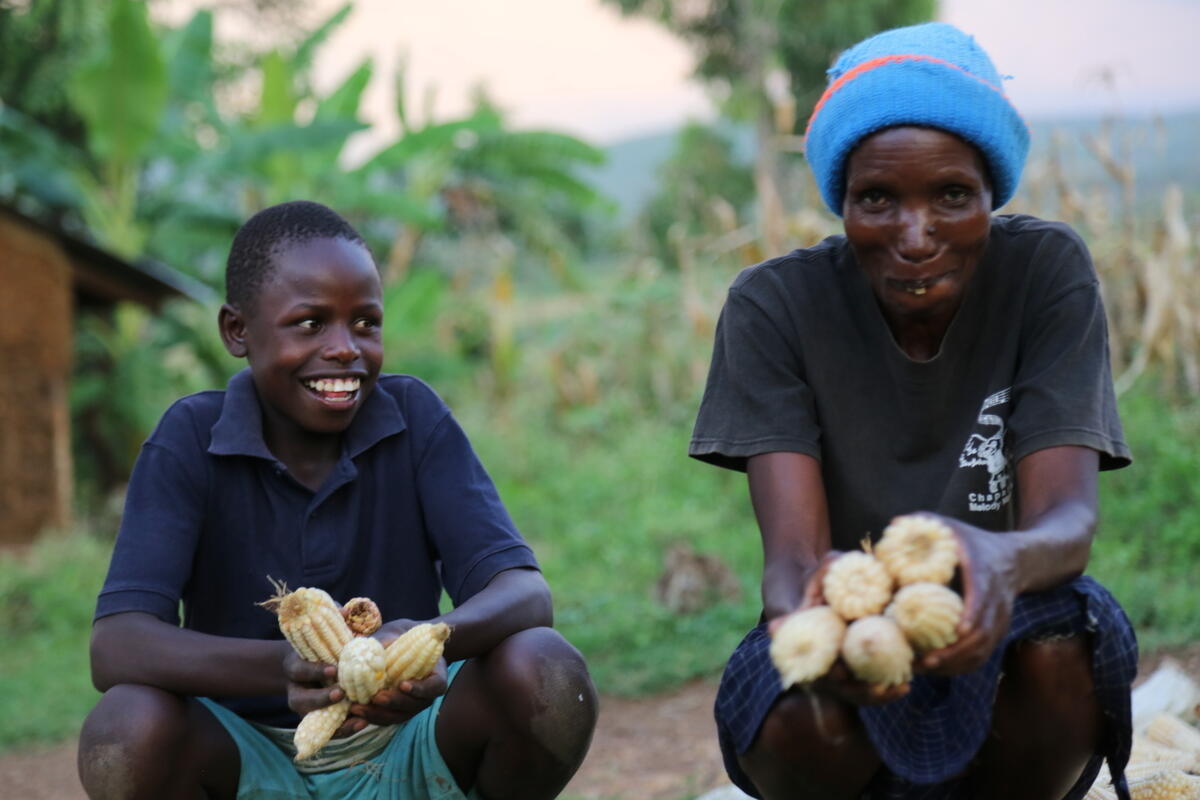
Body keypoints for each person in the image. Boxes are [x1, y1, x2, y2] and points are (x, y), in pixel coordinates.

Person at [689, 22, 1138, 800]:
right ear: (843, 201)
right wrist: (828, 625)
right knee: (797, 713)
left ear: (992, 194)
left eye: (953, 197)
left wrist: (1001, 560)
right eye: (877, 200)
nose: (917, 235)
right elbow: (793, 566)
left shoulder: (1044, 274)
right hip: (851, 620)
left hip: (1008, 611)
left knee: (1062, 643)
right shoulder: (775, 307)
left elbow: (1067, 523)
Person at [78, 200, 598, 800]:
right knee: (125, 729)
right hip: (243, 754)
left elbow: (526, 593)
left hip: (409, 746)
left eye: (365, 323)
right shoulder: (190, 440)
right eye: (310, 323)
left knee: (546, 670)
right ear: (237, 331)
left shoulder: (413, 420)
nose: (346, 348)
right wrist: (284, 667)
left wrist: (427, 638)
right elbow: (116, 645)